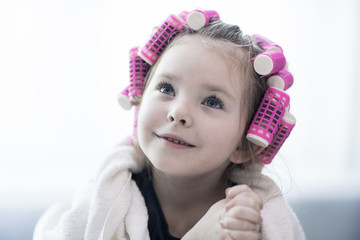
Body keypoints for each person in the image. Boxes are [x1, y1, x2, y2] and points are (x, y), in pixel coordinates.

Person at [34, 9, 305, 240]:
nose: (178, 113)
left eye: (212, 102)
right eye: (166, 88)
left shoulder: (254, 219)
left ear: (244, 146)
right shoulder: (104, 199)